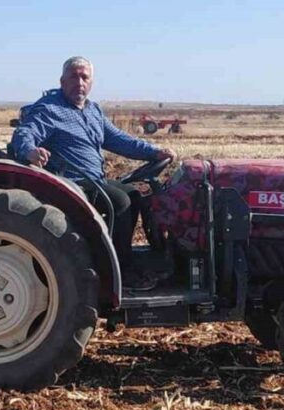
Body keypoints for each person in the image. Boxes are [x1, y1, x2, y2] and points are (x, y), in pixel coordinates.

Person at [10, 56, 177, 289]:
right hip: (71, 183)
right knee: (120, 202)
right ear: (62, 81)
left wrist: (154, 152)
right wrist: (30, 151)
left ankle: (151, 255)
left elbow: (119, 139)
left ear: (91, 82)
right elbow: (25, 133)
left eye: (84, 77)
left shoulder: (93, 110)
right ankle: (117, 272)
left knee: (136, 194)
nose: (79, 82)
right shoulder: (49, 109)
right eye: (73, 77)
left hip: (95, 179)